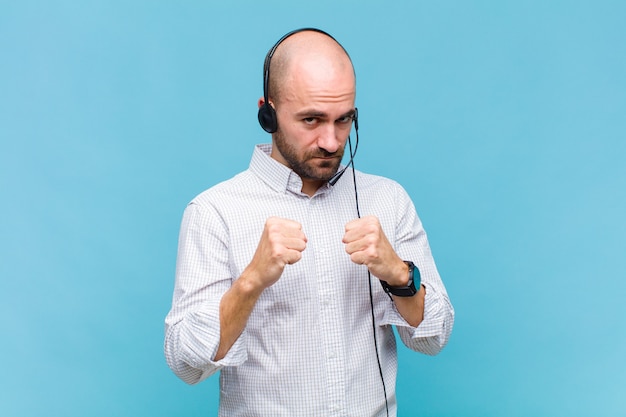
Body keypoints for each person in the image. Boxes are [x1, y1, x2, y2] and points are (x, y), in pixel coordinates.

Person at [164, 28, 454, 417]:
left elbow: (433, 338)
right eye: (312, 120)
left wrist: (400, 276)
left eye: (343, 120)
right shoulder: (215, 211)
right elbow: (186, 364)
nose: (332, 142)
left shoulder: (387, 199)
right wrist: (250, 282)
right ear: (267, 113)